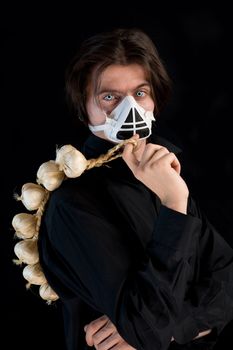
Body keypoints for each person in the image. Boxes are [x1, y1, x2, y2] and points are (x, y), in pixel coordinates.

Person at [13, 28, 233, 350]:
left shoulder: (161, 173)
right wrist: (174, 203)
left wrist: (176, 328)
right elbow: (146, 328)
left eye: (140, 93)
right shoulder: (72, 204)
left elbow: (227, 281)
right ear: (82, 107)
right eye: (109, 97)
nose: (128, 109)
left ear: (154, 98)